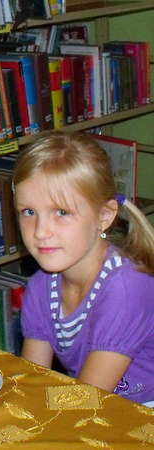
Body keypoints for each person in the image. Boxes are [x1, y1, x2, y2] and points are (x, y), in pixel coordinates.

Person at [14, 131, 154, 405]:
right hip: (96, 407)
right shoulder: (42, 285)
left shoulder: (127, 289)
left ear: (104, 216)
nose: (40, 231)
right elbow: (32, 380)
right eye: (29, 212)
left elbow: (85, 398)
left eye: (62, 212)